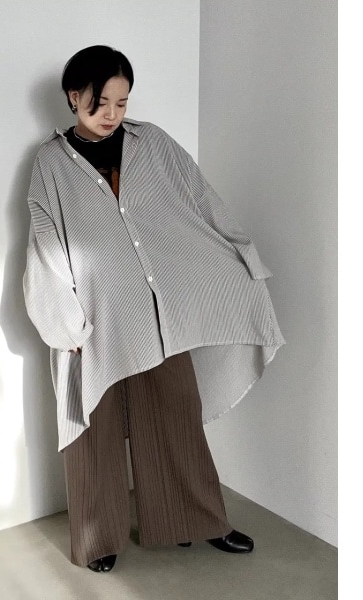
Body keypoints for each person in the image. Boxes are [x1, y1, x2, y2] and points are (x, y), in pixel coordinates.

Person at [23, 45, 286, 572]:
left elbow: (199, 198)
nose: (112, 114)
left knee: (175, 411)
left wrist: (241, 252)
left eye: (121, 103)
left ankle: (198, 520)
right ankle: (99, 538)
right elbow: (45, 244)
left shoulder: (153, 143)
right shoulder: (50, 163)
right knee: (94, 427)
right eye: (100, 103)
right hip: (92, 317)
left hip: (158, 312)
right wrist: (65, 323)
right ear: (73, 96)